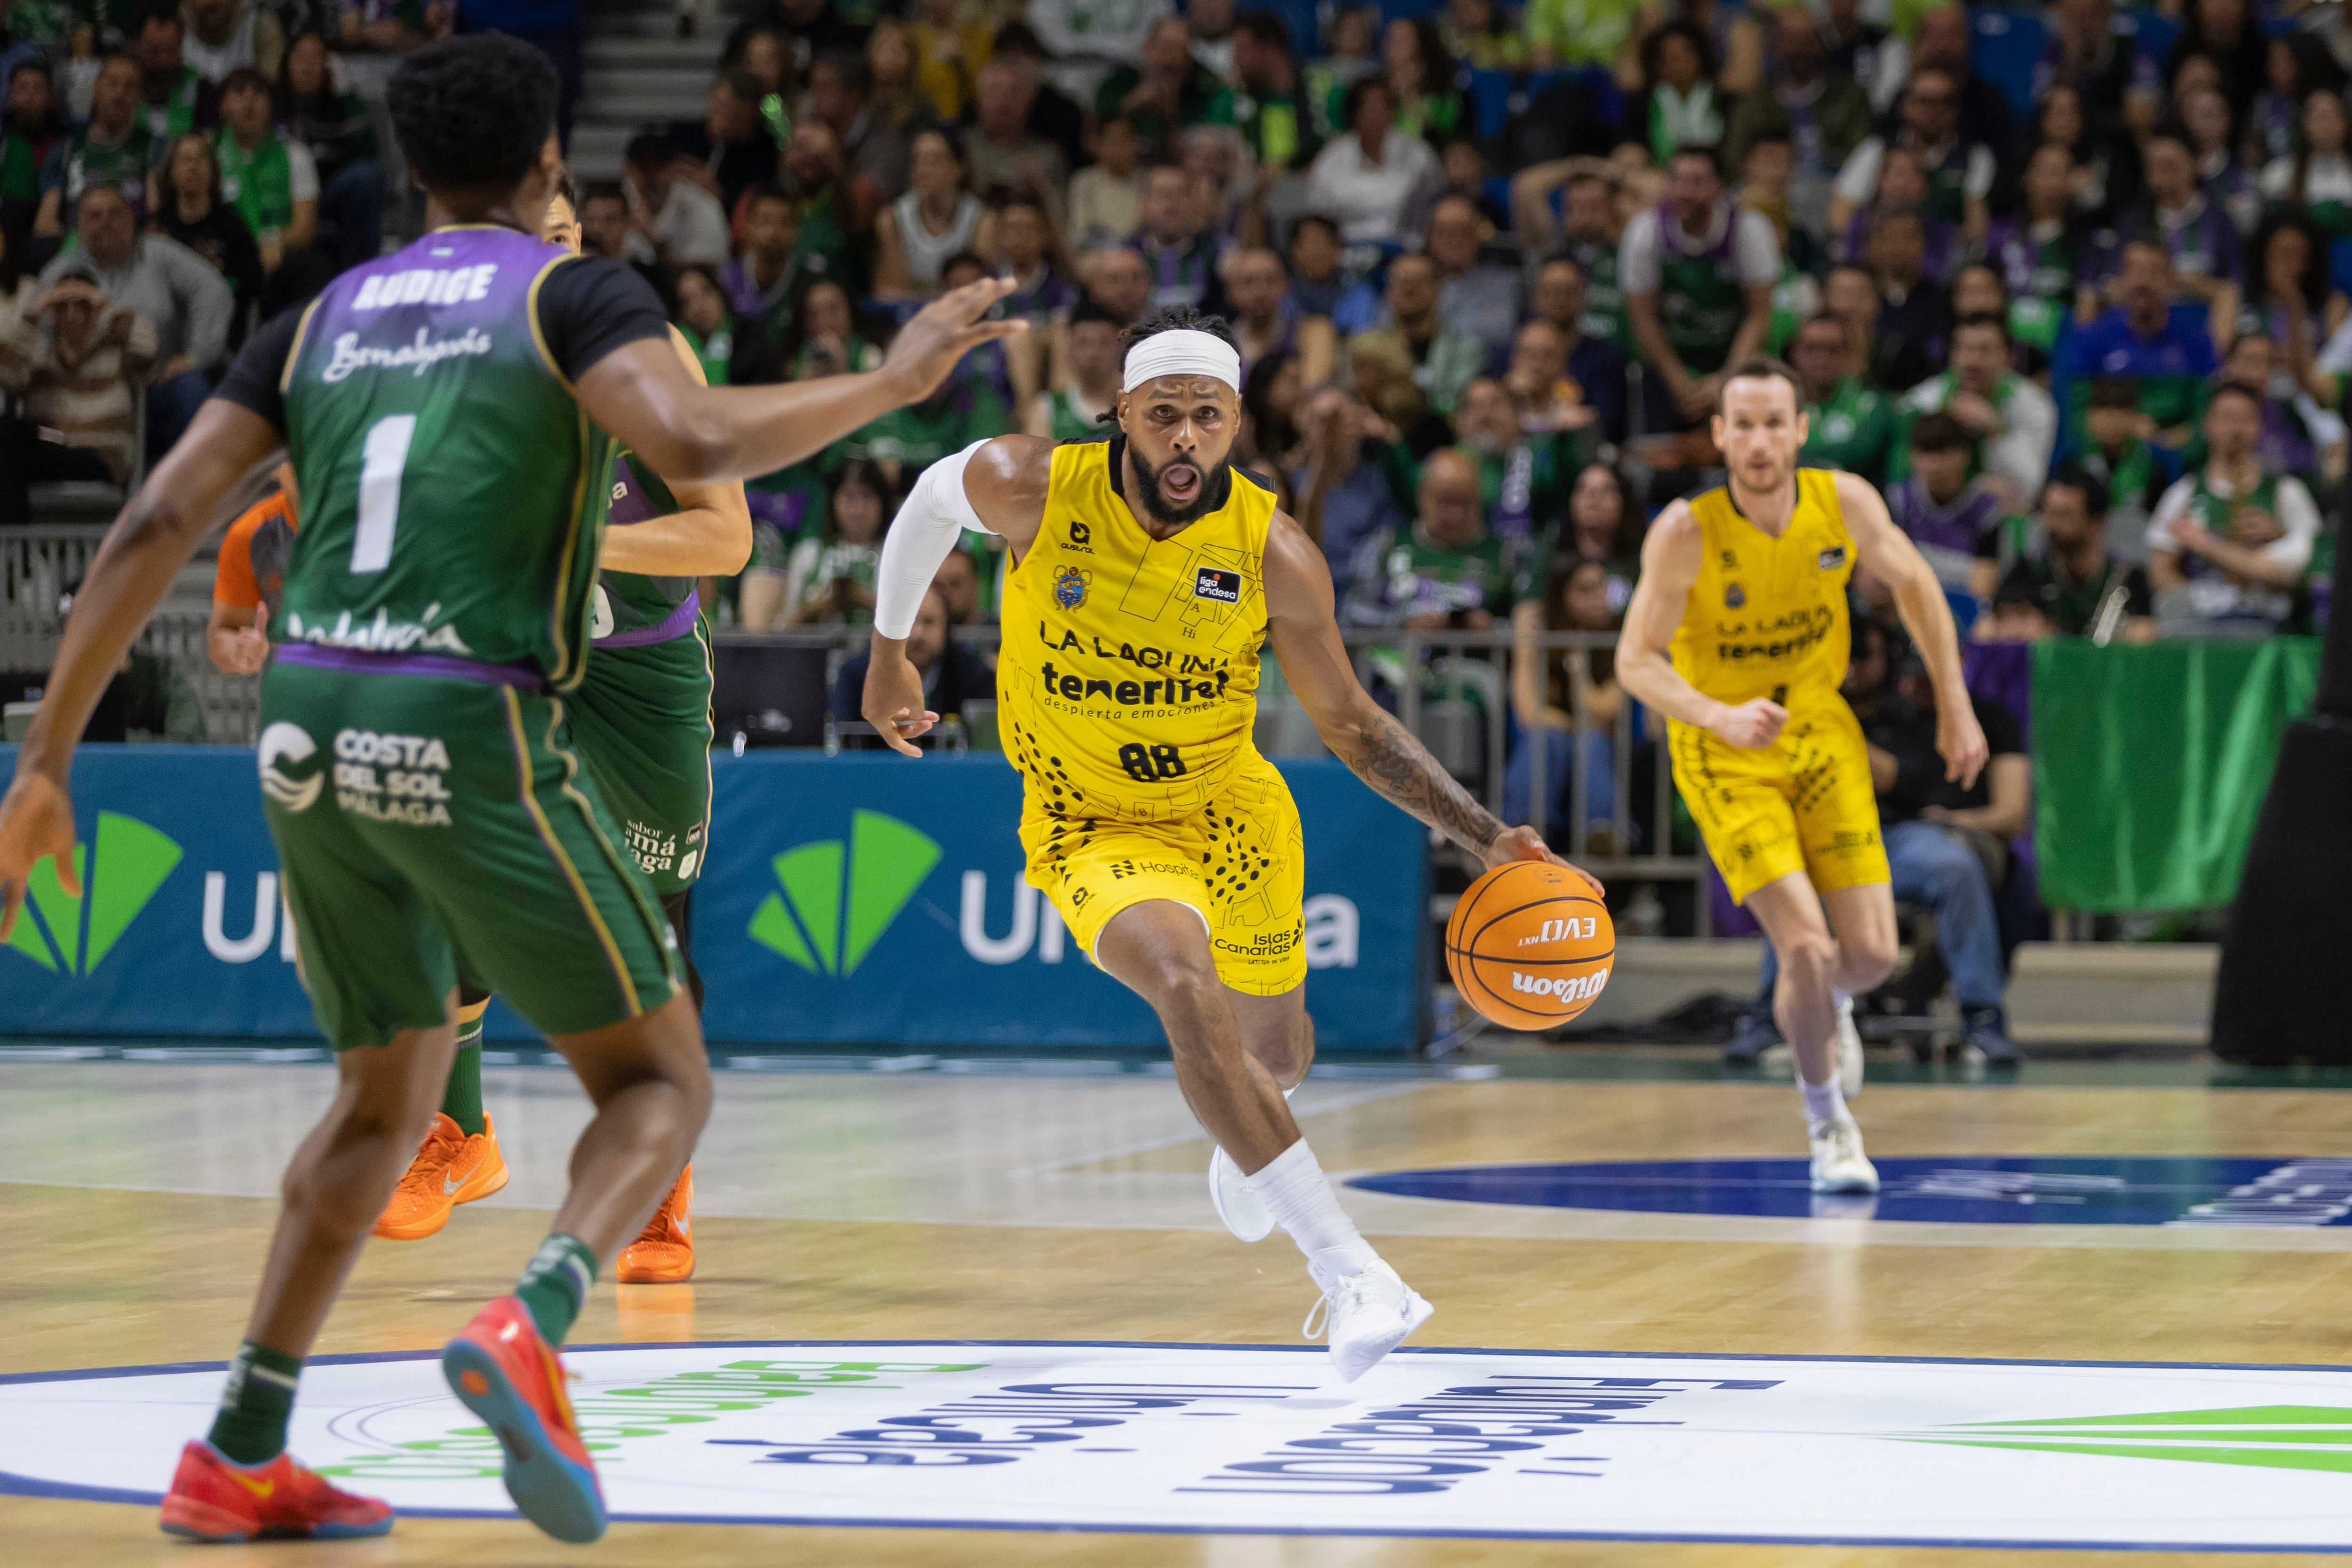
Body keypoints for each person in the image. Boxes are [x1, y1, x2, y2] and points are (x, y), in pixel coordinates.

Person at [0, 33, 1023, 1546]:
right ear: (549, 163)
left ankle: (242, 1444)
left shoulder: (321, 315)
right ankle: (532, 1321)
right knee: (659, 1076)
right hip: (464, 712)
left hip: (301, 724)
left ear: (411, 174)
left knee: (370, 1104)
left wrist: (44, 759)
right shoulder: (571, 293)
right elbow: (689, 442)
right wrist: (889, 375)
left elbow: (157, 512)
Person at [857, 304, 1598, 1380]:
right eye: (1164, 415)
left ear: (1238, 423)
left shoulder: (1274, 552)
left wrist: (1486, 836)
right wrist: (888, 651)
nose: (1185, 437)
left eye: (1208, 416)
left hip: (1232, 814)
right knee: (1179, 978)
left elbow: (1351, 721)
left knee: (1278, 1058)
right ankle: (1352, 1273)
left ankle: (1251, 1136)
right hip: (1085, 817)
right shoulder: (1033, 485)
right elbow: (928, 500)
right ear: (1120, 414)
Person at [370, 175, 754, 1277]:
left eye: (561, 237)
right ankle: (460, 1133)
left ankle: (657, 1185)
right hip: (522, 669)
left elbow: (724, 540)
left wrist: (579, 541)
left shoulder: (646, 357)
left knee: (654, 940)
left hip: (642, 680)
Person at [1614, 358, 1986, 1191]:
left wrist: (1954, 703)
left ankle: (1830, 1009)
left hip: (1821, 732)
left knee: (1871, 957)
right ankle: (1831, 1129)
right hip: (1724, 748)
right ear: (1718, 435)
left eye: (1773, 422)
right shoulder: (1685, 531)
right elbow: (1635, 660)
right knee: (1808, 949)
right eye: (1741, 424)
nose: (1758, 440)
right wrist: (1716, 715)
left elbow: (1919, 584)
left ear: (1801, 430)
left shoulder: (1844, 501)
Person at [37, 182, 231, 460]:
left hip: (156, 382)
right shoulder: (59, 274)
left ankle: (188, 493)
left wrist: (197, 355)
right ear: (78, 225)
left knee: (192, 389)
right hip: (89, 394)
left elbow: (212, 290)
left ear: (131, 218)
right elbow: (40, 336)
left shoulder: (160, 253)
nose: (106, 223)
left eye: (115, 213)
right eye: (95, 215)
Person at [1620, 143, 1780, 438]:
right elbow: (1644, 320)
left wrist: (1727, 380)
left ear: (1719, 186)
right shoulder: (1645, 232)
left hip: (1732, 357)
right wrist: (1680, 384)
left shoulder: (1750, 230)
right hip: (1670, 362)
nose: (1685, 191)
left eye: (1697, 182)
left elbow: (1758, 316)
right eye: (1677, 181)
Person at [2145, 382, 2322, 638]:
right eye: (2226, 419)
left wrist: (2279, 536)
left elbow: (2308, 564)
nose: (2236, 430)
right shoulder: (2184, 494)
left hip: (2269, 620)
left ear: (2259, 426)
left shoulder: (2287, 492)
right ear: (2208, 425)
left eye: (2245, 420)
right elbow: (2160, 569)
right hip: (2202, 622)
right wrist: (2198, 598)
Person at [1506, 555, 1625, 844]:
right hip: (1553, 739)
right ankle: (1522, 832)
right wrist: (1573, 725)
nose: (1599, 599)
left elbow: (1608, 711)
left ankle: (1603, 836)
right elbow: (1528, 713)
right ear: (1562, 597)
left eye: (1602, 589)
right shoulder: (1538, 637)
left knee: (1591, 743)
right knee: (1547, 738)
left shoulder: (1615, 639)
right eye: (1586, 591)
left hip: (1600, 745)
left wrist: (1578, 665)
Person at [2057, 239, 2217, 454]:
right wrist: (2129, 427)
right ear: (2121, 279)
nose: (2143, 282)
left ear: (2171, 281)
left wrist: (2161, 444)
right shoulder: (2092, 339)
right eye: (2134, 270)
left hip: (2177, 460)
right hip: (2108, 458)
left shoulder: (2197, 342)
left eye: (2154, 272)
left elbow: (2205, 421)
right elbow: (2077, 421)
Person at [1894, 315, 2058, 511]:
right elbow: (1901, 484)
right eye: (1963, 349)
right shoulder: (1922, 404)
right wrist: (1971, 490)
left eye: (1985, 350)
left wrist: (1997, 432)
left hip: (2007, 517)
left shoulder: (2036, 407)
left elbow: (2032, 489)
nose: (1972, 361)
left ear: (2008, 357)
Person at [1983, 465, 2155, 642]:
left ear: (2097, 523)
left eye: (2065, 516)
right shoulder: (2029, 570)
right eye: (2049, 514)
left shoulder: (2128, 578)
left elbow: (2145, 635)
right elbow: (1992, 627)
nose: (2051, 526)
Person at [276, 30, 380, 271]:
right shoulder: (271, 103)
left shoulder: (344, 106)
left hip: (330, 193)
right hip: (288, 196)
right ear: (288, 62)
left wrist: (346, 94)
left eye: (316, 58)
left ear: (327, 65)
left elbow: (367, 154)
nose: (308, 66)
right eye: (301, 57)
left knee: (366, 176)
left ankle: (359, 276)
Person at [829, 583, 990, 737]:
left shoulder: (974, 675)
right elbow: (841, 740)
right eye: (909, 622)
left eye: (929, 622)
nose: (918, 634)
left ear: (946, 627)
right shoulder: (857, 676)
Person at [149, 132, 264, 339]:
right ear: (171, 171)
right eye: (185, 159)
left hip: (220, 332)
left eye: (201, 158)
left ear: (213, 171)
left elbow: (249, 285)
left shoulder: (232, 224)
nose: (193, 166)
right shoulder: (157, 227)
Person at [33, 52, 153, 242]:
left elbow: (154, 223)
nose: (120, 93)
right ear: (96, 87)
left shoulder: (152, 149)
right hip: (76, 251)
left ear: (140, 95)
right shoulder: (65, 150)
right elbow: (44, 224)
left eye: (129, 86)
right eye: (112, 83)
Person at [1305, 78, 1439, 246]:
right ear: (1355, 115)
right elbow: (1319, 219)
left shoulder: (1419, 155)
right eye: (1369, 108)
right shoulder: (1331, 158)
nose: (1376, 116)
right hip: (1343, 252)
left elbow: (1433, 208)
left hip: (1406, 252)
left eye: (1383, 108)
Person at [872, 126, 989, 301]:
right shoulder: (891, 220)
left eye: (934, 161)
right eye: (918, 161)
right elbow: (888, 292)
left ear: (958, 168)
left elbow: (982, 288)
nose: (923, 171)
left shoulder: (982, 221)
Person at [205, 462, 296, 676]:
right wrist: (238, 650)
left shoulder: (382, 524)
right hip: (295, 697)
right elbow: (225, 632)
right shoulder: (249, 534)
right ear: (274, 464)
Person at [1792, 312, 1894, 483]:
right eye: (1812, 348)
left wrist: (1791, 454)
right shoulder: (1782, 407)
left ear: (1847, 354)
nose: (1822, 359)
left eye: (1832, 350)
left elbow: (1861, 452)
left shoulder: (1872, 403)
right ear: (1796, 353)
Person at [623, 131, 728, 270]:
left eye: (659, 167)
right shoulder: (617, 201)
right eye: (642, 168)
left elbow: (708, 270)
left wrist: (654, 241)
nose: (650, 177)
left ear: (675, 167)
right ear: (629, 170)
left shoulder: (705, 206)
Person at [1027, 294, 1121, 439]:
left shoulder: (1134, 407)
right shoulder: (1047, 409)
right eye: (1084, 343)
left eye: (1104, 343)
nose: (1093, 353)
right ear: (1069, 349)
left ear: (1120, 349)